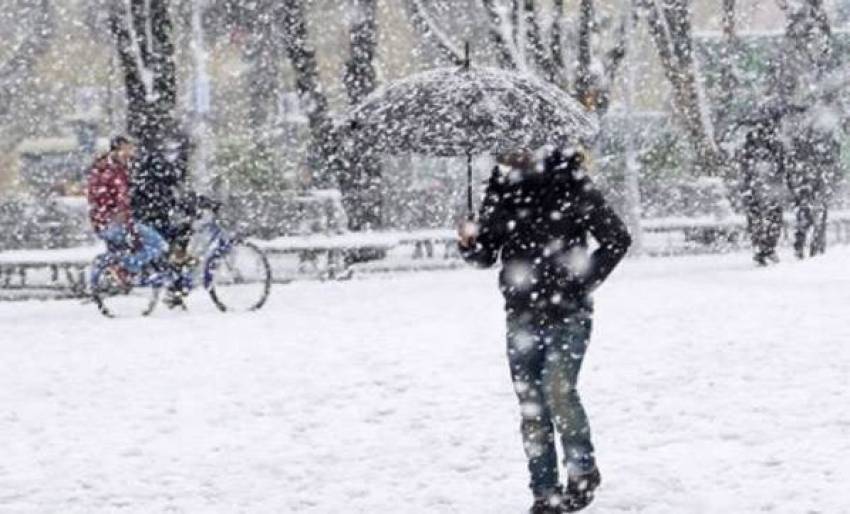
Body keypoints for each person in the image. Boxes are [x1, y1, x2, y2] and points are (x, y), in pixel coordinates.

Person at [458, 147, 631, 513]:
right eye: (503, 144)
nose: (508, 150)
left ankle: (582, 471)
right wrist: (470, 242)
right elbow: (487, 254)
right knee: (531, 406)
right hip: (521, 312)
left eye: (516, 142)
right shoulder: (501, 189)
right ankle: (544, 492)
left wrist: (578, 282)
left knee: (558, 390)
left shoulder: (570, 182)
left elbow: (617, 238)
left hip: (569, 312)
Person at [87, 136, 167, 279]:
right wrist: (118, 216)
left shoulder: (109, 171)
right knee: (159, 244)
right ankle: (125, 267)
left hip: (106, 223)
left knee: (146, 244)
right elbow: (115, 201)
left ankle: (126, 268)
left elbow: (102, 200)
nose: (131, 153)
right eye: (127, 149)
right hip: (113, 224)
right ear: (115, 151)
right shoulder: (111, 173)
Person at [738, 122, 787, 266]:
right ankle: (767, 247)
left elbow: (744, 166)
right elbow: (782, 166)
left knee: (757, 217)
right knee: (771, 215)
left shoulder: (750, 144)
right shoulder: (775, 144)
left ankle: (761, 247)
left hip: (755, 187)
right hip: (767, 186)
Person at [787, 126, 839, 259]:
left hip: (808, 185)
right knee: (815, 218)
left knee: (807, 218)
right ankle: (814, 248)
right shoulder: (821, 141)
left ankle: (806, 247)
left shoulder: (800, 144)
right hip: (812, 185)